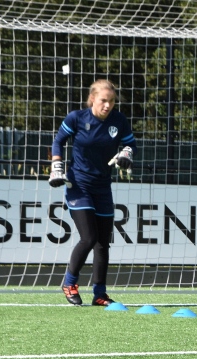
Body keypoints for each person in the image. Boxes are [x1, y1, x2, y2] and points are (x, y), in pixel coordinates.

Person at [49, 79, 136, 306]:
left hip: (102, 187)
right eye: (103, 101)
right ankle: (69, 283)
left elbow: (130, 145)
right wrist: (56, 165)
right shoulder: (77, 118)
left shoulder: (119, 121)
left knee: (103, 243)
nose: (107, 106)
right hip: (79, 185)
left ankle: (99, 293)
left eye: (112, 101)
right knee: (89, 238)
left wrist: (126, 155)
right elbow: (58, 141)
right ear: (92, 100)